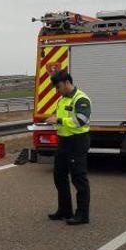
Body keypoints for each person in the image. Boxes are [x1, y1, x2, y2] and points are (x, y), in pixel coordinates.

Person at [44, 70, 92, 225]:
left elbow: (81, 120)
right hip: (63, 142)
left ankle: (82, 215)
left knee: (79, 179)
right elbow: (61, 119)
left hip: (77, 142)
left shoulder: (81, 99)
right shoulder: (62, 100)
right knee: (59, 177)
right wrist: (51, 122)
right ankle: (65, 211)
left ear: (66, 82)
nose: (57, 91)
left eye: (58, 87)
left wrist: (58, 120)